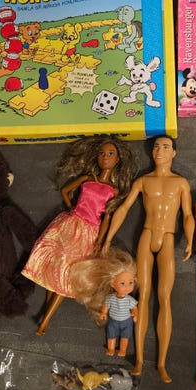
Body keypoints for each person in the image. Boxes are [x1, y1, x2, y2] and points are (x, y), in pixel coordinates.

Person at [102, 135, 195, 383]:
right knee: (142, 296)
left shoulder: (181, 183)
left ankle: (162, 363)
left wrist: (190, 239)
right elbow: (123, 208)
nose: (159, 150)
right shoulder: (143, 181)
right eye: (156, 147)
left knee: (164, 297)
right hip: (147, 235)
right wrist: (108, 238)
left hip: (168, 238)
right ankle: (140, 360)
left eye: (165, 147)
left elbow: (188, 215)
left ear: (174, 153)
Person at [22, 136, 135, 335]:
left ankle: (45, 321)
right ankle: (45, 318)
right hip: (71, 224)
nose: (105, 157)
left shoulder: (114, 190)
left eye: (110, 154)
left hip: (89, 232)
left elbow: (107, 217)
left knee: (67, 274)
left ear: (117, 160)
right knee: (55, 267)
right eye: (102, 153)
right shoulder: (87, 179)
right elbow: (65, 191)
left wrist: (100, 240)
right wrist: (71, 208)